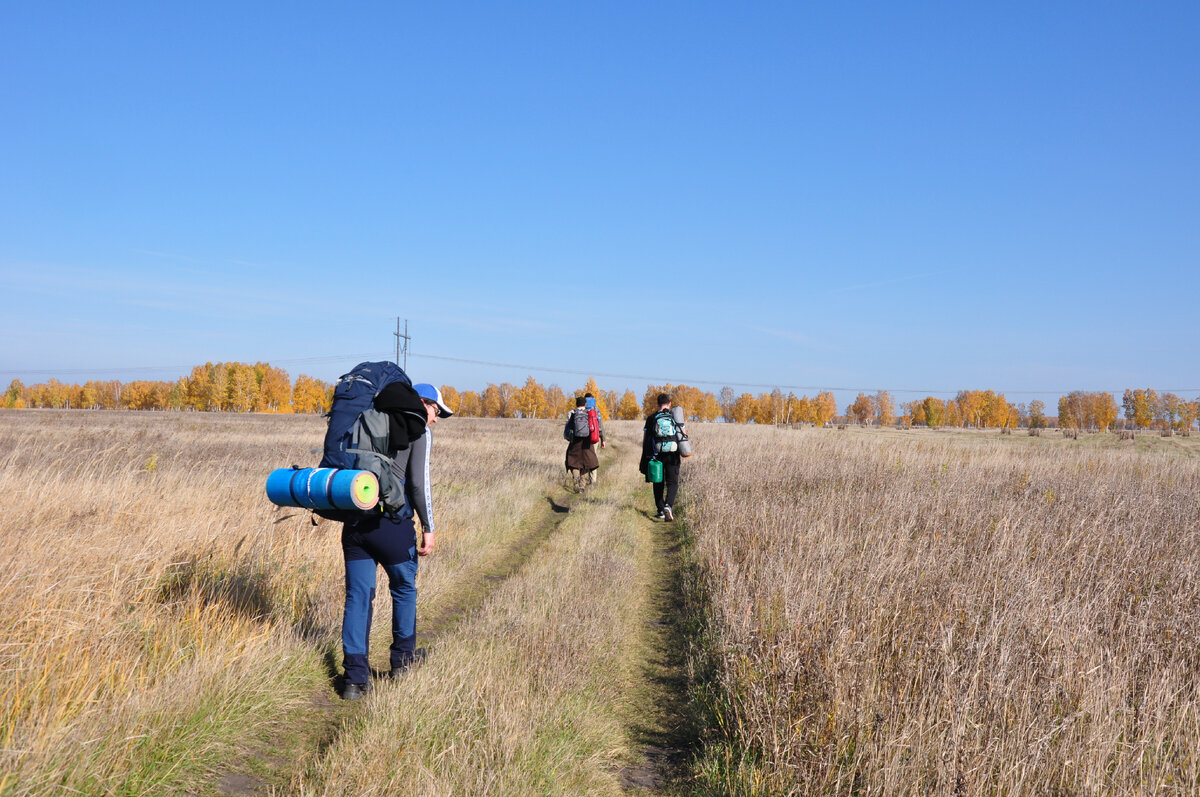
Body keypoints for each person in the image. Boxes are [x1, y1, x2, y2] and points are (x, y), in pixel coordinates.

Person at [339, 382, 453, 700]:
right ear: (423, 403)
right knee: (404, 589)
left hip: (355, 519)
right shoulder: (417, 429)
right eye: (436, 411)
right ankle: (403, 662)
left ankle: (354, 680)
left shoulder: (366, 418)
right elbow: (417, 484)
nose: (435, 419)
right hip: (391, 523)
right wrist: (428, 526)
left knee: (357, 598)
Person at [640, 393, 682, 521]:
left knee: (658, 481)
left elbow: (646, 438)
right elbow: (683, 435)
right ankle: (668, 505)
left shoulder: (652, 418)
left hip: (656, 453)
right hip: (673, 453)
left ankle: (660, 510)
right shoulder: (674, 417)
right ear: (669, 404)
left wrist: (645, 456)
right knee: (672, 482)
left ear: (657, 404)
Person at [563, 393, 605, 492]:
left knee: (573, 462)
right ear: (585, 404)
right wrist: (601, 439)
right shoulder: (590, 413)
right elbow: (597, 427)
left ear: (576, 404)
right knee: (586, 463)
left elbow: (567, 428)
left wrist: (568, 438)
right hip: (587, 442)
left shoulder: (571, 413)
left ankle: (576, 477)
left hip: (575, 442)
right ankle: (582, 486)